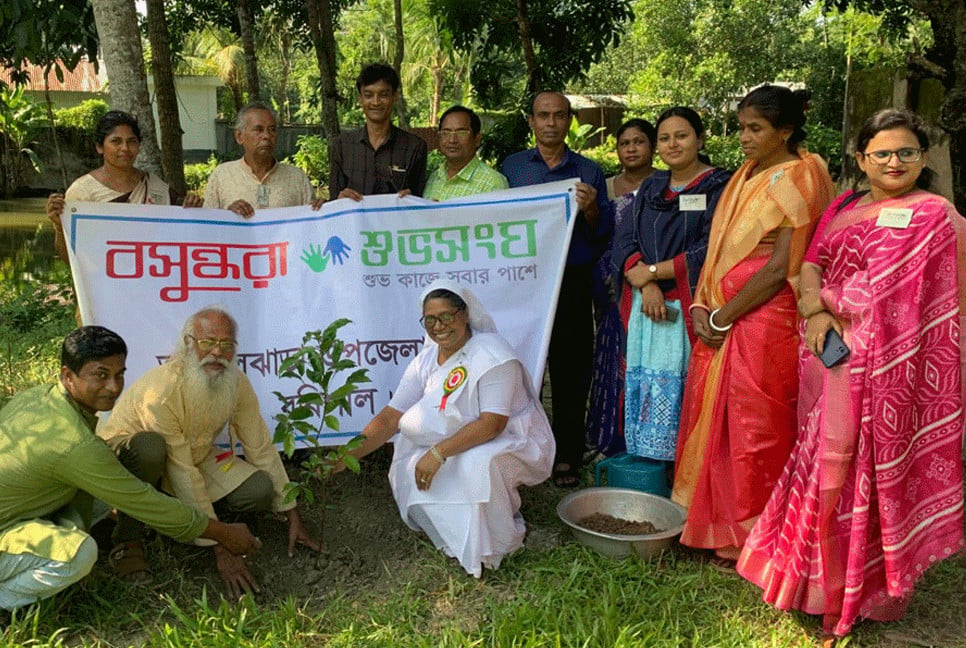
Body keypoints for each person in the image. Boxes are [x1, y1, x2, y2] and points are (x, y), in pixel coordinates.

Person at [737, 109, 966, 638]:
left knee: (852, 469)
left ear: (922, 158)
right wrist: (816, 307)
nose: (893, 161)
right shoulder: (843, 203)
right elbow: (812, 259)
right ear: (860, 159)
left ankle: (855, 592)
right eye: (881, 153)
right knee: (821, 460)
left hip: (886, 369)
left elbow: (901, 293)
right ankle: (808, 580)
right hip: (828, 353)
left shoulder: (933, 215)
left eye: (905, 152)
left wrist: (832, 302)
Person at [672, 85, 836, 568]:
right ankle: (710, 524)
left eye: (755, 128)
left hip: (764, 323)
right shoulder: (747, 173)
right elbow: (721, 249)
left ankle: (749, 534)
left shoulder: (799, 175)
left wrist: (723, 313)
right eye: (742, 126)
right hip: (723, 316)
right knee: (716, 424)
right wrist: (704, 304)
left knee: (754, 430)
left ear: (784, 131)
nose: (743, 137)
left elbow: (780, 265)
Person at [0, 326, 260, 611]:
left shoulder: (41, 397)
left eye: (120, 374)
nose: (113, 387)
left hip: (30, 506)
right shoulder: (74, 445)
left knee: (142, 450)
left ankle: (102, 534)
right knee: (80, 554)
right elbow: (142, 501)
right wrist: (221, 533)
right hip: (7, 533)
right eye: (100, 375)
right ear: (67, 375)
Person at [97, 307, 317, 599]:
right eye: (207, 342)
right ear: (188, 343)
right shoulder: (162, 392)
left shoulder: (235, 382)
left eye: (227, 345)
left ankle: (184, 519)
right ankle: (128, 537)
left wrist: (291, 513)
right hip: (133, 462)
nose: (217, 352)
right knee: (151, 448)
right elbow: (181, 470)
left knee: (259, 489)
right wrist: (221, 545)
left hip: (192, 457)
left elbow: (260, 446)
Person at [341, 280, 554, 577]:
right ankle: (453, 540)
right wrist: (343, 458)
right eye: (430, 319)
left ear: (465, 315)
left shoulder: (492, 354)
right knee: (407, 457)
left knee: (474, 464)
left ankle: (498, 544)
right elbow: (390, 418)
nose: (438, 326)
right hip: (459, 437)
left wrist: (439, 453)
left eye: (447, 316)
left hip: (512, 438)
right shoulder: (425, 359)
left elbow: (493, 423)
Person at [501, 91, 614, 487]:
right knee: (517, 369)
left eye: (559, 116)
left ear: (570, 121)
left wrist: (591, 209)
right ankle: (517, 450)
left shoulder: (589, 171)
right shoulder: (511, 169)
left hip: (570, 282)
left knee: (571, 371)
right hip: (521, 284)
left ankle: (566, 454)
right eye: (542, 116)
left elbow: (602, 236)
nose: (550, 123)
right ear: (530, 121)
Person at [607, 108, 731, 463]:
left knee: (691, 391)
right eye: (664, 138)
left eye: (682, 136)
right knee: (646, 389)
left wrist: (656, 272)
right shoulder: (650, 187)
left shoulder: (720, 186)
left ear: (700, 139)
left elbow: (712, 247)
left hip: (693, 304)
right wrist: (646, 284)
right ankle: (647, 466)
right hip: (646, 305)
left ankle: (688, 472)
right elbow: (624, 240)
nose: (672, 144)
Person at [586, 117, 657, 457]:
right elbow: (597, 232)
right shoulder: (607, 185)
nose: (631, 148)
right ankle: (606, 435)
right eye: (624, 143)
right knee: (610, 353)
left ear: (652, 146)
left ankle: (644, 437)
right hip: (607, 282)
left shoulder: (664, 183)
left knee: (643, 355)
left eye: (638, 142)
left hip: (650, 281)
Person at [45, 110, 202, 263]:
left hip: (149, 281)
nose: (125, 148)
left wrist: (191, 213)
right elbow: (72, 260)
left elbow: (178, 243)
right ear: (100, 147)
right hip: (103, 284)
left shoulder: (156, 187)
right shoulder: (82, 192)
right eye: (116, 141)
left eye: (131, 141)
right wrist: (59, 227)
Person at [328, 63, 428, 200]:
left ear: (395, 97)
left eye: (383, 95)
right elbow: (334, 200)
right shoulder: (342, 146)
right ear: (360, 99)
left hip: (399, 221)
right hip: (355, 221)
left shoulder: (415, 147)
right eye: (368, 95)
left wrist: (412, 198)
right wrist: (339, 199)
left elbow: (420, 198)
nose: (376, 102)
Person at [203, 102, 316, 218]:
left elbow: (312, 225)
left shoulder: (297, 178)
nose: (266, 136)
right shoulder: (222, 176)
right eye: (258, 130)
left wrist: (322, 210)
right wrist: (228, 215)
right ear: (239, 136)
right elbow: (207, 225)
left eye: (272, 130)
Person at [423, 105, 508, 200]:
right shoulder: (434, 178)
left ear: (477, 139)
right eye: (446, 133)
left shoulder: (493, 183)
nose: (452, 140)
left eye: (461, 133)